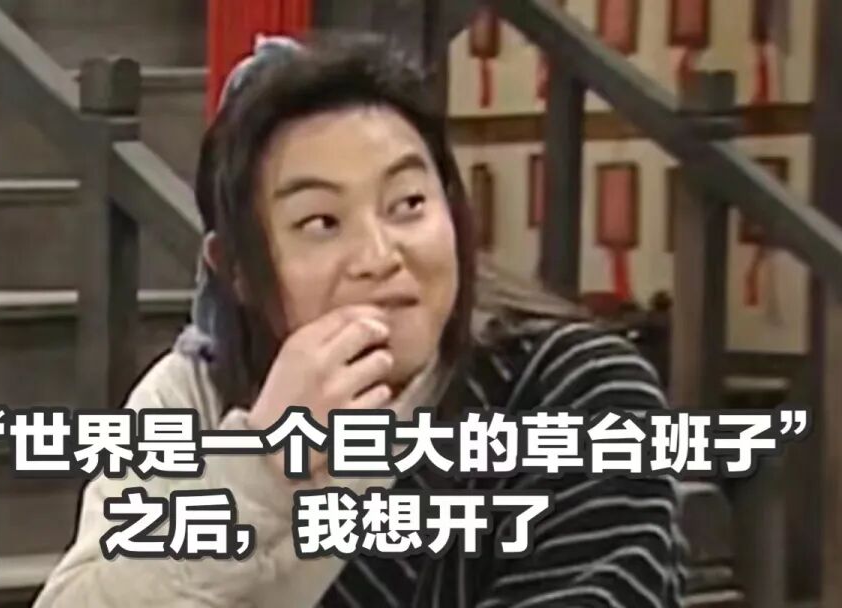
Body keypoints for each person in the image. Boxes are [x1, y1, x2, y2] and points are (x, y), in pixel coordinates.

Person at [34, 35, 685, 608]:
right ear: (234, 269)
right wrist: (259, 470)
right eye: (321, 222)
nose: (379, 257)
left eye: (408, 204)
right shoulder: (191, 398)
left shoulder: (575, 392)